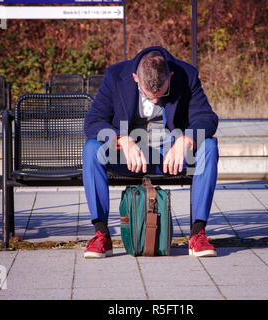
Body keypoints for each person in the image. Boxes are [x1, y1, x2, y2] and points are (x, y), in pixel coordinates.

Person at [83, 46, 219, 258]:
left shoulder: (187, 74)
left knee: (209, 146)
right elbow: (93, 121)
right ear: (135, 77)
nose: (156, 100)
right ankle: (101, 234)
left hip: (171, 154)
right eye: (149, 95)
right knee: (92, 148)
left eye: (162, 93)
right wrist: (122, 139)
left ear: (170, 76)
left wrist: (186, 140)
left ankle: (197, 234)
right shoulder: (114, 75)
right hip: (128, 155)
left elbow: (207, 118)